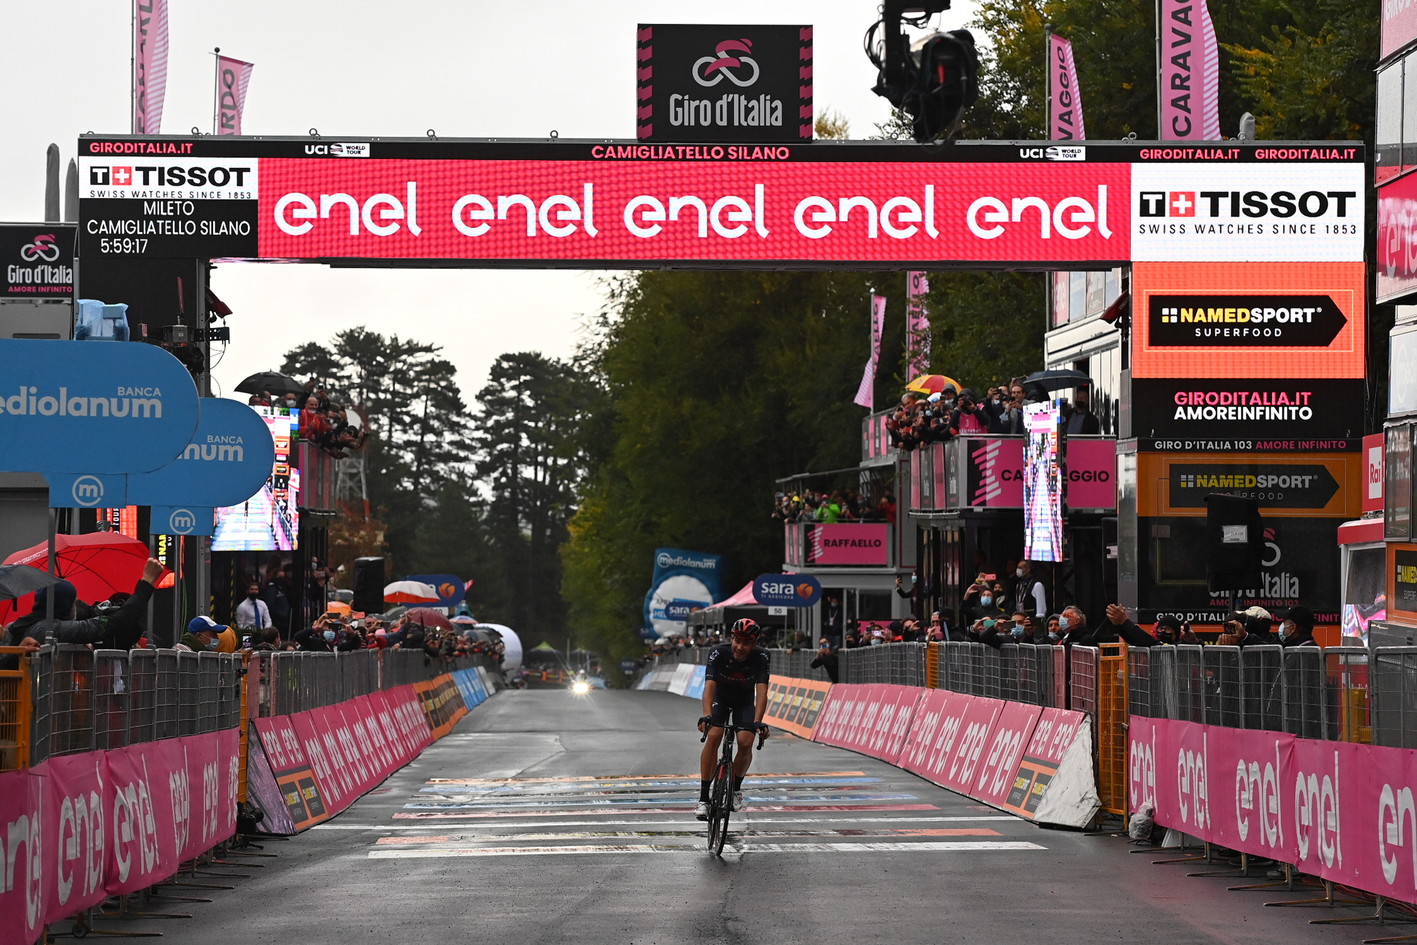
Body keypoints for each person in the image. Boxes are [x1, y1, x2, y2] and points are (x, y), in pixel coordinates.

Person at [1, 557, 165, 667]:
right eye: (74, 602)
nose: (77, 608)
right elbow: (118, 623)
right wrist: (147, 582)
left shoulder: (16, 626)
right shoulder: (52, 629)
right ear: (66, 605)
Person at [696, 617, 771, 820]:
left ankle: (735, 789)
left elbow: (762, 691)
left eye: (746, 643)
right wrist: (707, 715)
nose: (740, 647)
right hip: (721, 699)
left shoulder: (762, 656)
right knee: (714, 736)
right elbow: (709, 686)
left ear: (754, 643)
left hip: (744, 702)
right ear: (731, 638)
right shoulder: (718, 652)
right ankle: (704, 799)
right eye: (737, 641)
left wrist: (758, 721)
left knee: (746, 742)